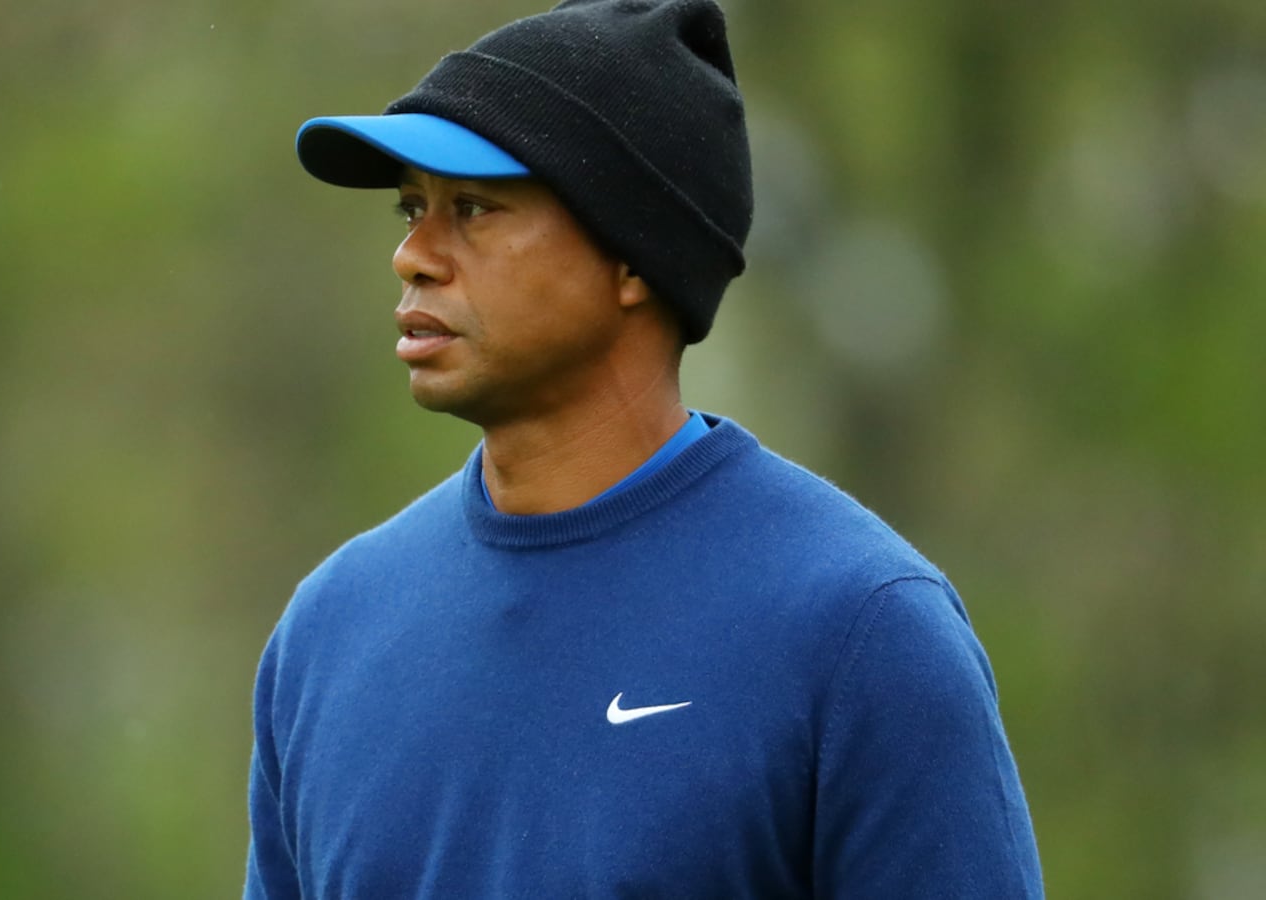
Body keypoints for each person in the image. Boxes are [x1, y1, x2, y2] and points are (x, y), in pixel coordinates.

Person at [245, 0, 1045, 896]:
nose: (414, 255)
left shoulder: (860, 630)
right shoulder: (329, 631)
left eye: (472, 208)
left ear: (633, 257)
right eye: (410, 209)